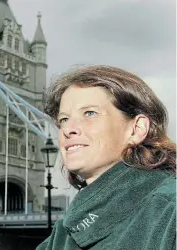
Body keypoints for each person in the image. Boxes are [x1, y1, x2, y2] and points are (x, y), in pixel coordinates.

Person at [36, 65, 176, 250]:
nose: (68, 129)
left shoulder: (169, 212)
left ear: (136, 128)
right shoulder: (63, 233)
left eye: (90, 113)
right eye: (64, 119)